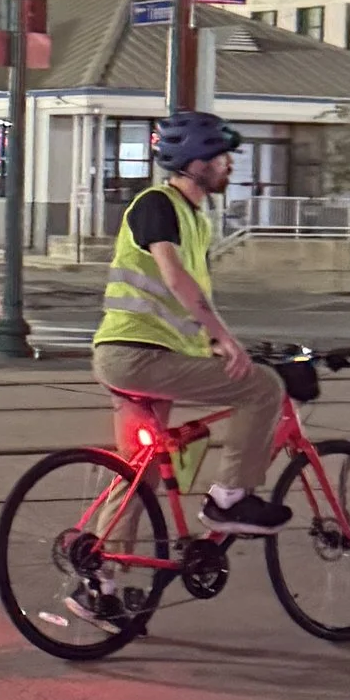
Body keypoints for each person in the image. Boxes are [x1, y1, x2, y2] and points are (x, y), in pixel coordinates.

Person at [88, 110, 290, 534]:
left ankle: (101, 565)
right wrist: (225, 338)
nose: (229, 164)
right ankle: (230, 499)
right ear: (196, 163)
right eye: (221, 156)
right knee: (262, 388)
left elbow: (182, 304)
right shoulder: (157, 204)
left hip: (144, 355)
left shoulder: (195, 218)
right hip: (138, 356)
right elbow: (176, 278)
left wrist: (213, 344)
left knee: (138, 474)